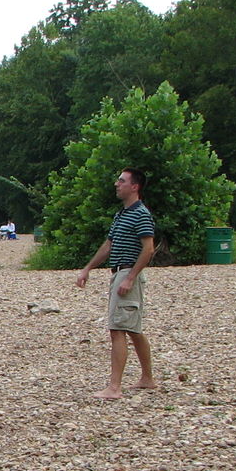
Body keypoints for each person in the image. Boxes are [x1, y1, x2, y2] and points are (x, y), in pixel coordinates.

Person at [74, 168, 159, 400]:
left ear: (135, 187)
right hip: (119, 272)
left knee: (117, 329)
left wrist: (131, 277)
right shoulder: (121, 215)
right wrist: (88, 268)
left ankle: (114, 387)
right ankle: (147, 379)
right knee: (133, 329)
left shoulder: (141, 214)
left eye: (121, 181)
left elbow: (148, 248)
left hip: (128, 273)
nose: (116, 184)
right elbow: (109, 245)